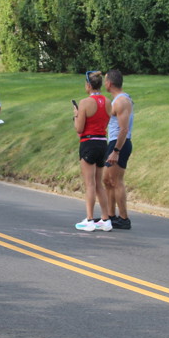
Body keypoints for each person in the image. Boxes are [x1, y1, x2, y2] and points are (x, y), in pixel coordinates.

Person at [73, 71, 112, 231]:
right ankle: (105, 219)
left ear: (88, 85)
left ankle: (89, 219)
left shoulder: (85, 103)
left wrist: (76, 115)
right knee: (99, 184)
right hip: (102, 142)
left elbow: (79, 128)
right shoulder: (108, 102)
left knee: (89, 184)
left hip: (88, 142)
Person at [103, 69, 133, 230]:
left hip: (119, 144)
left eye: (105, 80)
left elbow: (124, 129)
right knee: (107, 180)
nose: (104, 83)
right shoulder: (117, 100)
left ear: (109, 83)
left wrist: (116, 151)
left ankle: (124, 218)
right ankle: (110, 216)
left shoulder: (121, 101)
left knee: (116, 181)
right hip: (114, 142)